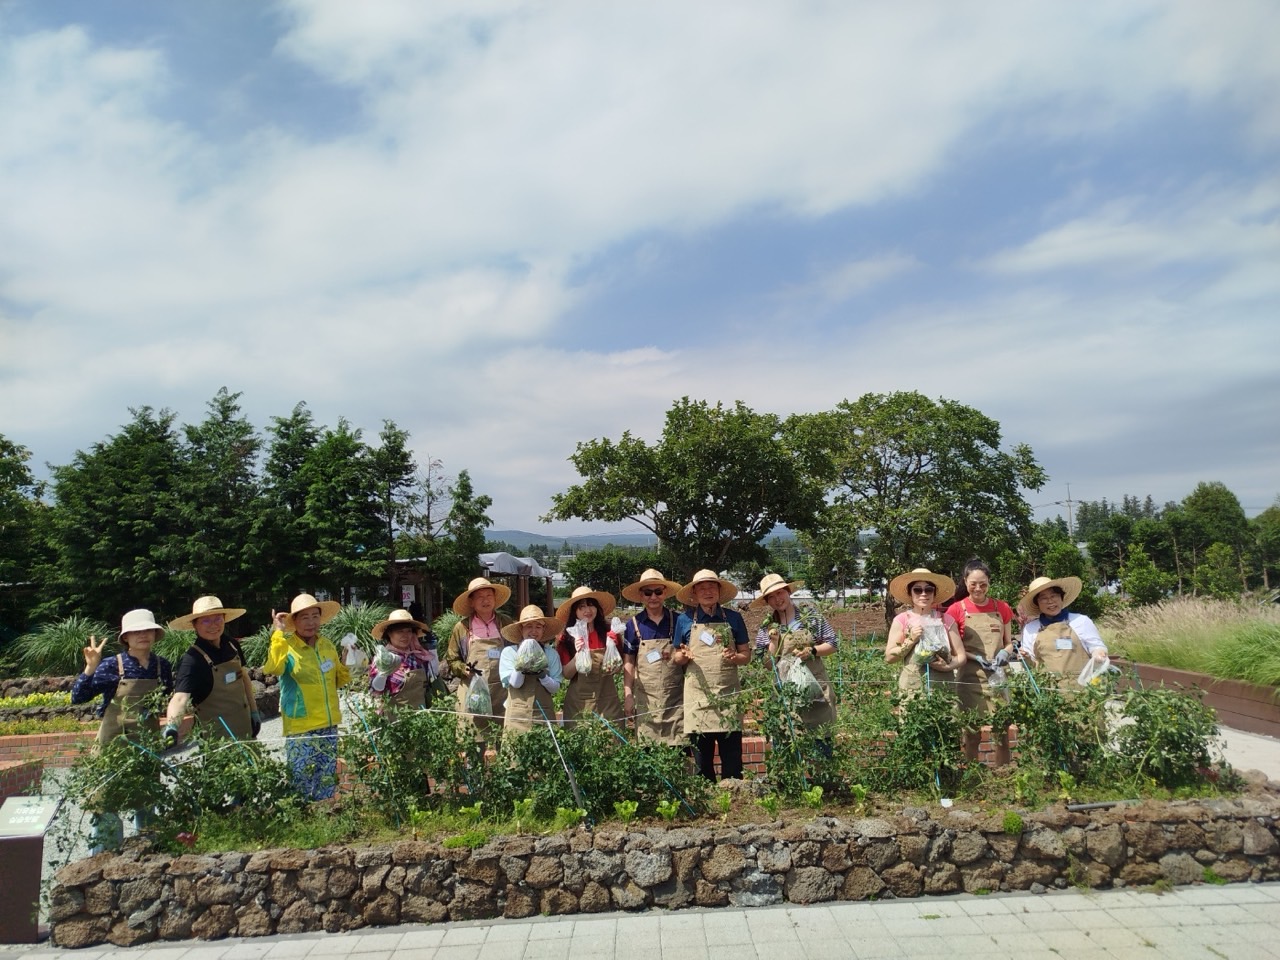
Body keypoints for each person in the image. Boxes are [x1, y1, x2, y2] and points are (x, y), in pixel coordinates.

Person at [70, 608, 175, 851]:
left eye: (147, 630)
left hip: (145, 747)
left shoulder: (162, 667)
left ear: (155, 634)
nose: (142, 635)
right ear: (126, 637)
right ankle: (100, 863)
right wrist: (90, 668)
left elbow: (167, 700)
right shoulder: (110, 665)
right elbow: (78, 697)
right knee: (106, 807)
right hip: (111, 749)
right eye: (135, 631)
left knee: (147, 804)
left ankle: (147, 858)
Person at [264, 593, 351, 801]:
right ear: (294, 621)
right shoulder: (287, 647)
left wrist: (349, 662)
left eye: (315, 616)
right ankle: (304, 825)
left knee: (327, 778)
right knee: (302, 780)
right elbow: (273, 668)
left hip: (328, 724)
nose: (311, 622)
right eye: (305, 617)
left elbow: (338, 679)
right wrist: (277, 633)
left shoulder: (326, 645)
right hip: (301, 726)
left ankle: (325, 822)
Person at [672, 569, 752, 781]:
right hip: (697, 697)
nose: (708, 592)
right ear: (695, 593)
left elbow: (746, 655)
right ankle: (707, 802)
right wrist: (684, 655)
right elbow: (675, 656)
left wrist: (736, 657)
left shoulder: (734, 618)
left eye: (712, 587)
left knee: (732, 758)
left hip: (728, 695)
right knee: (702, 760)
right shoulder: (685, 620)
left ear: (718, 591)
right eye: (702, 588)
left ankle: (733, 799)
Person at [162, 596, 258, 744]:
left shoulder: (232, 645)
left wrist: (254, 711)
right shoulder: (192, 660)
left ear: (224, 619)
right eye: (205, 620)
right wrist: (172, 725)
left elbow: (244, 677)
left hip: (245, 727)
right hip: (217, 738)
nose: (213, 625)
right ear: (195, 625)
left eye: (218, 619)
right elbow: (180, 697)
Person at [752, 573, 838, 732]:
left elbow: (833, 644)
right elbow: (768, 664)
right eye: (771, 597)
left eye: (779, 593)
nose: (777, 599)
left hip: (816, 691)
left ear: (788, 592)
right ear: (767, 602)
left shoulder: (811, 617)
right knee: (790, 740)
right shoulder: (767, 627)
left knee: (821, 742)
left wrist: (812, 651)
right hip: (786, 694)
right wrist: (773, 642)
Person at [445, 577, 515, 741]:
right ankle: (472, 766)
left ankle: (500, 767)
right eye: (480, 597)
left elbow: (515, 651)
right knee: (472, 738)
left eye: (489, 596)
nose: (485, 600)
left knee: (502, 737)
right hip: (472, 690)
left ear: (495, 599)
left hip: (501, 691)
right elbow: (452, 659)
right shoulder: (462, 628)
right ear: (471, 602)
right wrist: (463, 669)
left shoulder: (505, 623)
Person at [621, 569, 685, 746]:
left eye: (658, 592)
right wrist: (628, 694)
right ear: (641, 595)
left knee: (679, 750)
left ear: (665, 593)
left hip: (676, 698)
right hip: (646, 700)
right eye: (648, 592)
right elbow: (629, 662)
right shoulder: (633, 625)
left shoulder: (679, 620)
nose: (653, 597)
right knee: (648, 751)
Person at [884, 568, 966, 698]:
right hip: (912, 687)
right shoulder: (902, 620)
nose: (923, 594)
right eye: (917, 590)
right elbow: (889, 657)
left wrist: (947, 666)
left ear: (934, 593)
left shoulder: (946, 620)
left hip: (943, 687)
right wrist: (911, 640)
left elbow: (961, 656)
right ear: (910, 593)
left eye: (928, 590)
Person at [1018, 576, 1108, 686]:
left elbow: (1096, 646)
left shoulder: (1081, 621)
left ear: (1061, 597)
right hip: (1047, 692)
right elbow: (1030, 664)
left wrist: (1099, 653)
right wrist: (1025, 658)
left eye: (1054, 596)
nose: (1050, 601)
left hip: (1082, 690)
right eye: (1044, 598)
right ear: (1037, 603)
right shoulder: (1031, 628)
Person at [555, 586, 625, 725]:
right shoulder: (567, 638)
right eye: (581, 607)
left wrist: (612, 647)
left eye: (591, 605)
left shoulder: (609, 632)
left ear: (597, 608)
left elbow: (617, 668)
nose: (587, 610)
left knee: (612, 739)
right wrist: (578, 655)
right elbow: (567, 674)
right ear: (575, 612)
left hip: (607, 698)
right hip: (579, 702)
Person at [498, 605, 565, 734]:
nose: (534, 631)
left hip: (543, 714)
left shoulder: (551, 654)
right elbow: (515, 683)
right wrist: (522, 663)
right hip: (517, 715)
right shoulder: (509, 652)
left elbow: (555, 688)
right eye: (529, 626)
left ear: (543, 630)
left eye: (538, 627)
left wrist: (543, 676)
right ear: (520, 629)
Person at [369, 608, 447, 710]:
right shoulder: (384, 658)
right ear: (389, 634)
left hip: (421, 717)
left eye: (409, 631)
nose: (405, 635)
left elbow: (434, 675)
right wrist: (383, 672)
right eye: (399, 631)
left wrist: (432, 649)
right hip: (394, 719)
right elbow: (375, 690)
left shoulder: (418, 656)